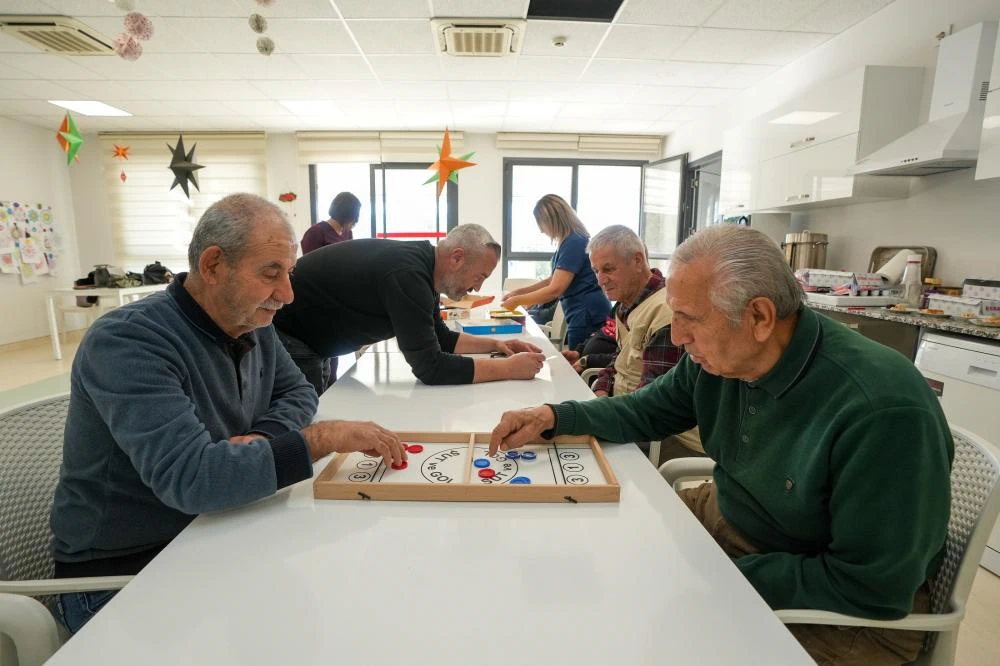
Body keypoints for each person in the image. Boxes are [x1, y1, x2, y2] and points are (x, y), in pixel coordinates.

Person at [488, 225, 953, 666]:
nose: (676, 337)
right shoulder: (719, 358)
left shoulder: (882, 410)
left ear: (759, 317)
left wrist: (713, 577)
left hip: (844, 611)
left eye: (689, 319)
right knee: (605, 556)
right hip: (737, 522)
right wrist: (554, 416)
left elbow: (872, 586)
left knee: (649, 638)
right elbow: (642, 411)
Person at [49, 193, 407, 634]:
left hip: (212, 530)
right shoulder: (128, 342)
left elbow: (298, 391)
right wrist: (318, 439)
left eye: (289, 274)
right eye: (271, 273)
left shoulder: (253, 322)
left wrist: (262, 441)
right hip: (124, 573)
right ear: (214, 265)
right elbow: (194, 480)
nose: (288, 294)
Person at [273, 224, 544, 394]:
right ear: (457, 257)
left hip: (315, 342)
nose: (476, 288)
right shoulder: (408, 273)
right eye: (479, 276)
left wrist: (498, 345)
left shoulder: (424, 269)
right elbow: (430, 368)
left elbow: (439, 336)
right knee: (307, 427)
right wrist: (508, 369)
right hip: (293, 337)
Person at [564, 225, 701, 456]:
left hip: (664, 441)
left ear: (638, 260)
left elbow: (654, 406)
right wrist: (601, 391)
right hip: (626, 415)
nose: (600, 280)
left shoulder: (667, 313)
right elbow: (619, 362)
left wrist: (600, 413)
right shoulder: (627, 304)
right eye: (595, 271)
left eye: (608, 269)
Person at [501, 195, 610, 348]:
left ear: (551, 220)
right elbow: (553, 279)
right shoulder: (570, 241)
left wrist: (518, 300)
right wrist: (519, 293)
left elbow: (555, 289)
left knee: (578, 362)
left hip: (587, 313)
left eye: (541, 224)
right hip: (580, 311)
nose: (541, 230)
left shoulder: (575, 242)